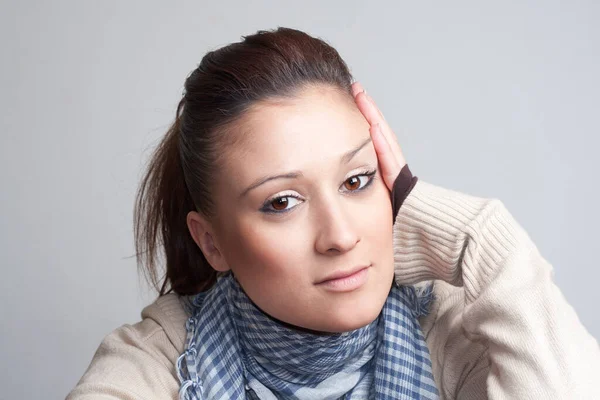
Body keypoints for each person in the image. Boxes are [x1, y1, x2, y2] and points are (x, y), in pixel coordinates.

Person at [67, 27, 600, 400]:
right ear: (212, 243)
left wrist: (485, 239)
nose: (341, 236)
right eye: (282, 202)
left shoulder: (455, 334)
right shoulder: (159, 360)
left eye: (356, 181)